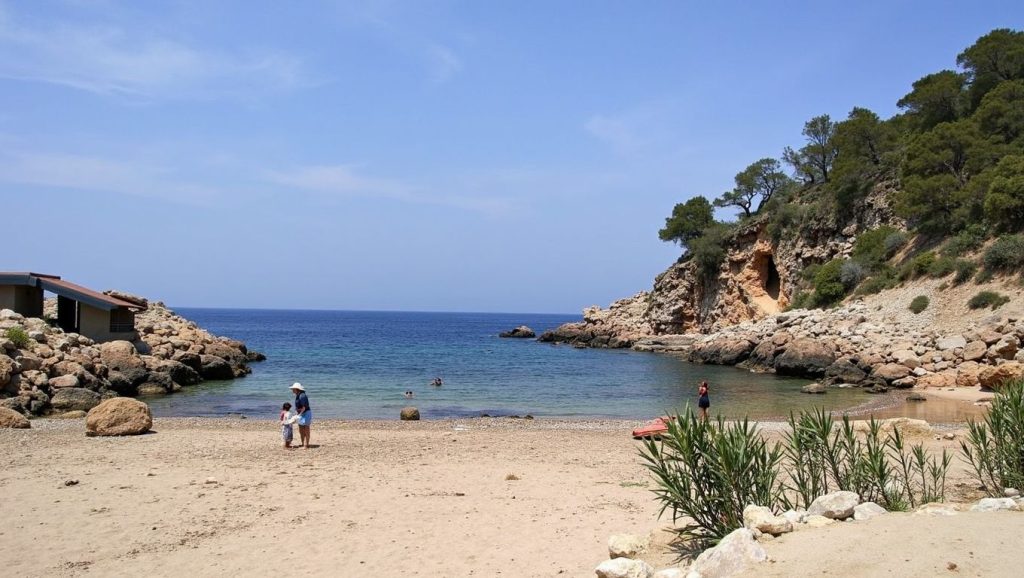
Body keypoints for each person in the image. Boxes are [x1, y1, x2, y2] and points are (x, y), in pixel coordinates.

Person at [290, 382, 312, 449]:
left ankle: (306, 445)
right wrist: (297, 414)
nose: (292, 390)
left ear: (297, 389)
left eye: (293, 389)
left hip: (306, 413)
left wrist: (298, 415)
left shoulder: (302, 395)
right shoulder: (298, 395)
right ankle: (303, 443)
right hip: (301, 413)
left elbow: (304, 407)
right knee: (301, 429)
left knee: (306, 429)